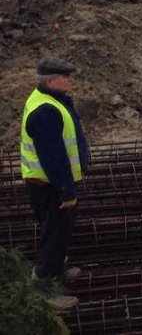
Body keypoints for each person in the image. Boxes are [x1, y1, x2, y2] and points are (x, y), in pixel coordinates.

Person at [20, 57, 90, 313]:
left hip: (49, 184)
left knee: (59, 232)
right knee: (55, 235)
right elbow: (53, 157)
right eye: (65, 76)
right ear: (50, 81)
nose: (70, 80)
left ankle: (57, 270)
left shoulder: (50, 101)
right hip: (50, 185)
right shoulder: (45, 111)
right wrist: (67, 191)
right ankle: (45, 289)